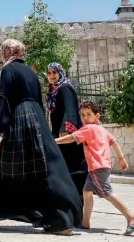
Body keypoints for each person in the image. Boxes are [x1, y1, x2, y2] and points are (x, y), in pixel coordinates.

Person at [0, 39, 83, 236]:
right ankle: (60, 221)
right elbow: (39, 101)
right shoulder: (31, 72)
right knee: (40, 171)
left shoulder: (8, 70)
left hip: (18, 122)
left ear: (6, 52)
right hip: (37, 123)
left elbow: (5, 100)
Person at [55, 101, 134, 236]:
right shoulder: (102, 129)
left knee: (107, 193)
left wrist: (54, 141)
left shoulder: (88, 128)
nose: (85, 118)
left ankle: (130, 216)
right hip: (102, 167)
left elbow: (71, 138)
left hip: (97, 167)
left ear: (97, 116)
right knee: (87, 193)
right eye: (82, 115)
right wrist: (121, 158)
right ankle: (85, 223)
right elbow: (113, 142)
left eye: (88, 115)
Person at [46, 62, 88, 201]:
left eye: (54, 73)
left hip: (68, 135)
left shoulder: (65, 88)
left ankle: (78, 202)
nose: (52, 76)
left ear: (60, 73)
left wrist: (66, 128)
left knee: (73, 167)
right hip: (59, 134)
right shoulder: (54, 89)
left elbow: (71, 109)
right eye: (49, 73)